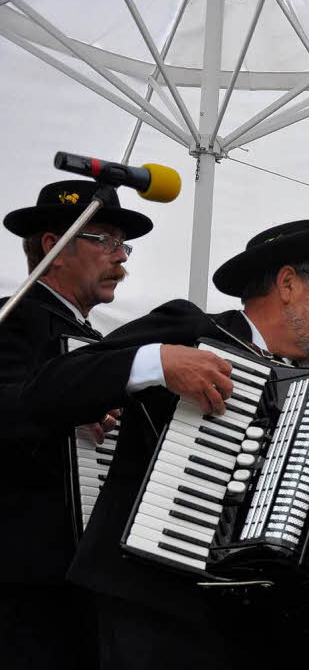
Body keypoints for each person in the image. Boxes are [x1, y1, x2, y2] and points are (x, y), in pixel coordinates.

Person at [17, 219, 309, 669]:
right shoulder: (190, 329)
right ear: (288, 284)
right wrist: (159, 361)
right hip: (154, 616)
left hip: (257, 630)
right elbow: (43, 390)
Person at [0, 180, 153, 669]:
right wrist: (76, 400)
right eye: (106, 241)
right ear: (54, 247)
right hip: (25, 581)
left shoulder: (87, 336)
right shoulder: (17, 320)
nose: (122, 260)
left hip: (77, 578)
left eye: (122, 246)